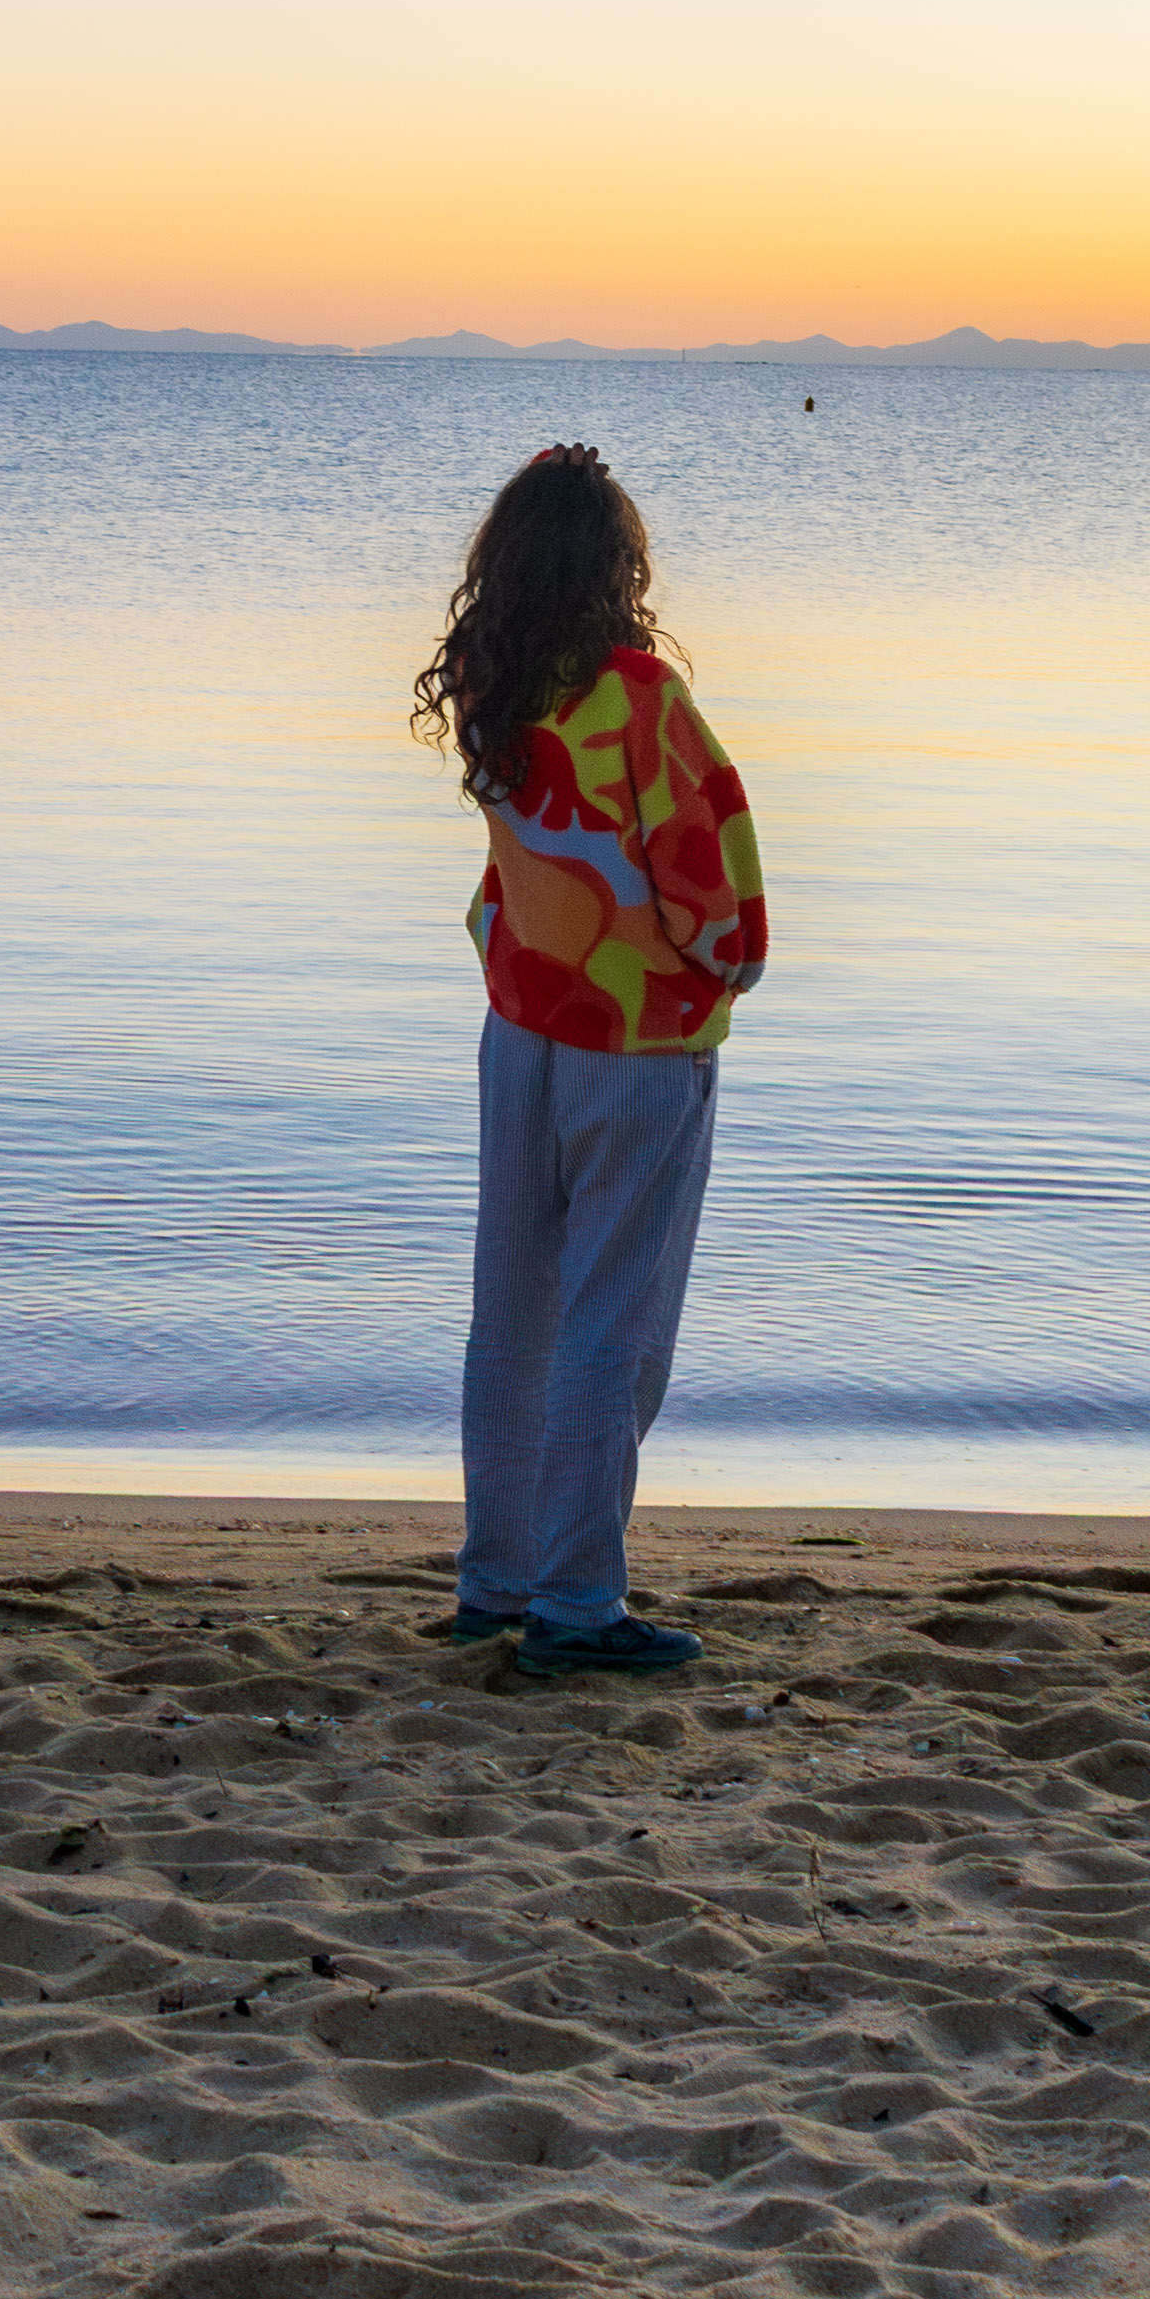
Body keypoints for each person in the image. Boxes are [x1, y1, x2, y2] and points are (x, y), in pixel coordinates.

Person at [410, 442, 765, 1676]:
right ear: (620, 563)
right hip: (636, 1044)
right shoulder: (638, 695)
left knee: (512, 1314)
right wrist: (731, 964)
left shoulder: (496, 680)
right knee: (617, 1322)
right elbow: (707, 870)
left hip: (522, 1029)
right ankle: (575, 1603)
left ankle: (493, 1581)